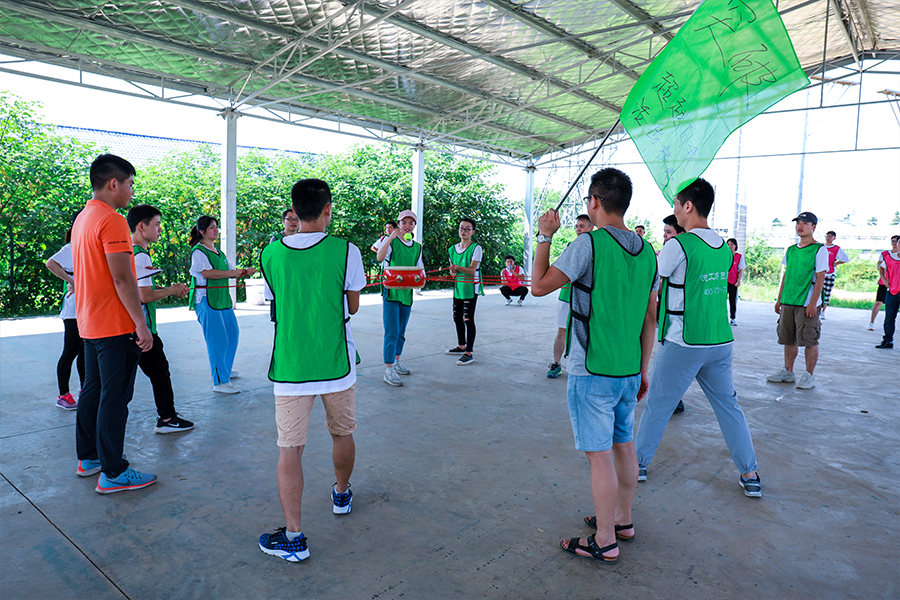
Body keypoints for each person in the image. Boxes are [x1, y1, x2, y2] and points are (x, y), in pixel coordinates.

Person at [530, 167, 658, 565]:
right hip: (627, 371)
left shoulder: (588, 244)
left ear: (595, 202)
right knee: (623, 445)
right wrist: (643, 368)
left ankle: (604, 539)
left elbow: (539, 285)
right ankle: (622, 519)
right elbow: (649, 318)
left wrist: (545, 236)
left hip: (592, 371)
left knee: (599, 454)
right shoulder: (648, 251)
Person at [258, 178, 365, 563]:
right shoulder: (347, 251)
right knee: (342, 432)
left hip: (290, 367)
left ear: (294, 210)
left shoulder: (270, 255)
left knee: (290, 450)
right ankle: (341, 493)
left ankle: (294, 536)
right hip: (337, 363)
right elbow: (351, 307)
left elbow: (278, 302)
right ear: (327, 209)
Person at [634, 178, 761, 499]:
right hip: (719, 341)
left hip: (683, 342)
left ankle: (636, 464)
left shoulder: (679, 245)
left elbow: (650, 279)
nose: (674, 210)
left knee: (658, 406)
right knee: (729, 408)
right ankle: (750, 473)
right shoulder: (721, 245)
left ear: (688, 206)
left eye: (676, 204)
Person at [71, 154, 156, 494]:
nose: (132, 192)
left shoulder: (83, 218)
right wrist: (141, 324)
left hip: (90, 321)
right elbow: (123, 279)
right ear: (114, 184)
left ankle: (89, 457)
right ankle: (114, 471)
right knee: (115, 396)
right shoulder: (112, 220)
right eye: (131, 184)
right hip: (114, 324)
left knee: (93, 390)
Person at [128, 204, 194, 434]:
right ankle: (167, 419)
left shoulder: (128, 251)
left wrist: (168, 289)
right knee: (159, 372)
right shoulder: (140, 255)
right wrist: (173, 290)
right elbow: (144, 295)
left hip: (127, 328)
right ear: (141, 226)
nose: (160, 229)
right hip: (141, 329)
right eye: (156, 224)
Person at [188, 215, 257, 394]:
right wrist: (234, 273)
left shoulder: (218, 252)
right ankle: (220, 382)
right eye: (212, 227)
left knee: (232, 334)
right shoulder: (199, 251)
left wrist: (244, 272)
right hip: (207, 300)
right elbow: (207, 273)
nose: (216, 230)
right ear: (202, 231)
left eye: (216, 227)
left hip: (222, 299)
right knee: (217, 340)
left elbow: (230, 270)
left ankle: (224, 369)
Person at [766, 212, 827, 390]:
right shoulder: (791, 250)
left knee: (809, 340)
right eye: (798, 223)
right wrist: (780, 299)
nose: (800, 226)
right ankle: (788, 371)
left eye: (805, 223)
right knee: (788, 338)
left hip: (806, 302)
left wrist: (813, 303)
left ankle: (809, 375)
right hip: (788, 300)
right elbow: (786, 275)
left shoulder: (819, 249)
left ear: (813, 227)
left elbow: (820, 277)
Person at [375, 210, 423, 386]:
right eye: (404, 223)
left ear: (414, 226)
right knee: (391, 331)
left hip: (406, 293)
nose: (407, 226)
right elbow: (380, 257)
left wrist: (418, 279)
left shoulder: (417, 247)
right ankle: (388, 369)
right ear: (398, 224)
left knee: (401, 331)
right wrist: (389, 238)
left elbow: (420, 271)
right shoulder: (391, 242)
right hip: (391, 292)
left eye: (411, 223)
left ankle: (396, 361)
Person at [45, 212, 84, 410]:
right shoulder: (71, 248)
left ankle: (85, 390)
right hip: (73, 312)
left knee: (85, 352)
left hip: (87, 310)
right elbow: (50, 263)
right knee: (70, 352)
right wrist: (72, 281)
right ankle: (63, 394)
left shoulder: (87, 247)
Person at [548, 214, 593, 379]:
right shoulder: (570, 246)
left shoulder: (597, 247)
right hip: (567, 295)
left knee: (588, 331)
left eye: (582, 226)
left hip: (586, 297)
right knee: (562, 330)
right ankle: (556, 363)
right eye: (577, 226)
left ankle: (587, 366)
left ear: (591, 228)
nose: (578, 229)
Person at [446, 218, 483, 366]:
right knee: (457, 317)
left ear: (472, 232)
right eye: (462, 228)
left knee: (468, 319)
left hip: (470, 288)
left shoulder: (476, 248)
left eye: (467, 229)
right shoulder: (451, 250)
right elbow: (452, 271)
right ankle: (461, 345)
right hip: (458, 288)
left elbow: (472, 270)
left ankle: (469, 352)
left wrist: (457, 268)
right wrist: (453, 271)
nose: (464, 231)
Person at [265, 209, 300, 321]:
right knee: (280, 319)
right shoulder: (276, 239)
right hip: (281, 283)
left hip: (298, 284)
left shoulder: (303, 238)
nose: (293, 222)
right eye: (290, 219)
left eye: (296, 219)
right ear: (283, 221)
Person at [875, 234, 900, 349]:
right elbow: (881, 267)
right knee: (889, 317)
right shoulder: (888, 257)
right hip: (892, 291)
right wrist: (884, 279)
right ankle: (888, 340)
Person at [821, 231, 849, 319]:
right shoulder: (820, 246)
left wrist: (836, 263)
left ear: (834, 238)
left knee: (826, 293)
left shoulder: (836, 248)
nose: (828, 238)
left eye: (831, 236)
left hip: (830, 273)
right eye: (827, 236)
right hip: (819, 272)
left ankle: (823, 311)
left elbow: (845, 259)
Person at [726, 238, 746, 326]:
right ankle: (721, 317)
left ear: (735, 246)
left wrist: (738, 280)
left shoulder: (739, 257)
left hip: (733, 281)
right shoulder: (724, 256)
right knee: (721, 300)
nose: (730, 246)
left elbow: (740, 270)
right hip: (723, 281)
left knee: (732, 300)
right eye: (728, 244)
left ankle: (732, 318)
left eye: (732, 244)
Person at [870, 266, 888, 331]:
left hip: (896, 283)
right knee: (879, 302)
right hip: (884, 282)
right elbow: (880, 266)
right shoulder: (885, 256)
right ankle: (872, 322)